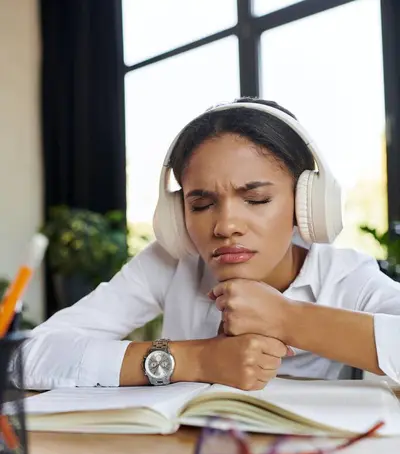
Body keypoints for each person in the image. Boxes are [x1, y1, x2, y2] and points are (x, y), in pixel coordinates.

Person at [22, 98, 400, 391]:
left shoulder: (345, 276)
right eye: (201, 204)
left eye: (256, 199)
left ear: (307, 203)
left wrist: (288, 318)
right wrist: (197, 360)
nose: (226, 226)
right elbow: (26, 357)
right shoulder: (171, 262)